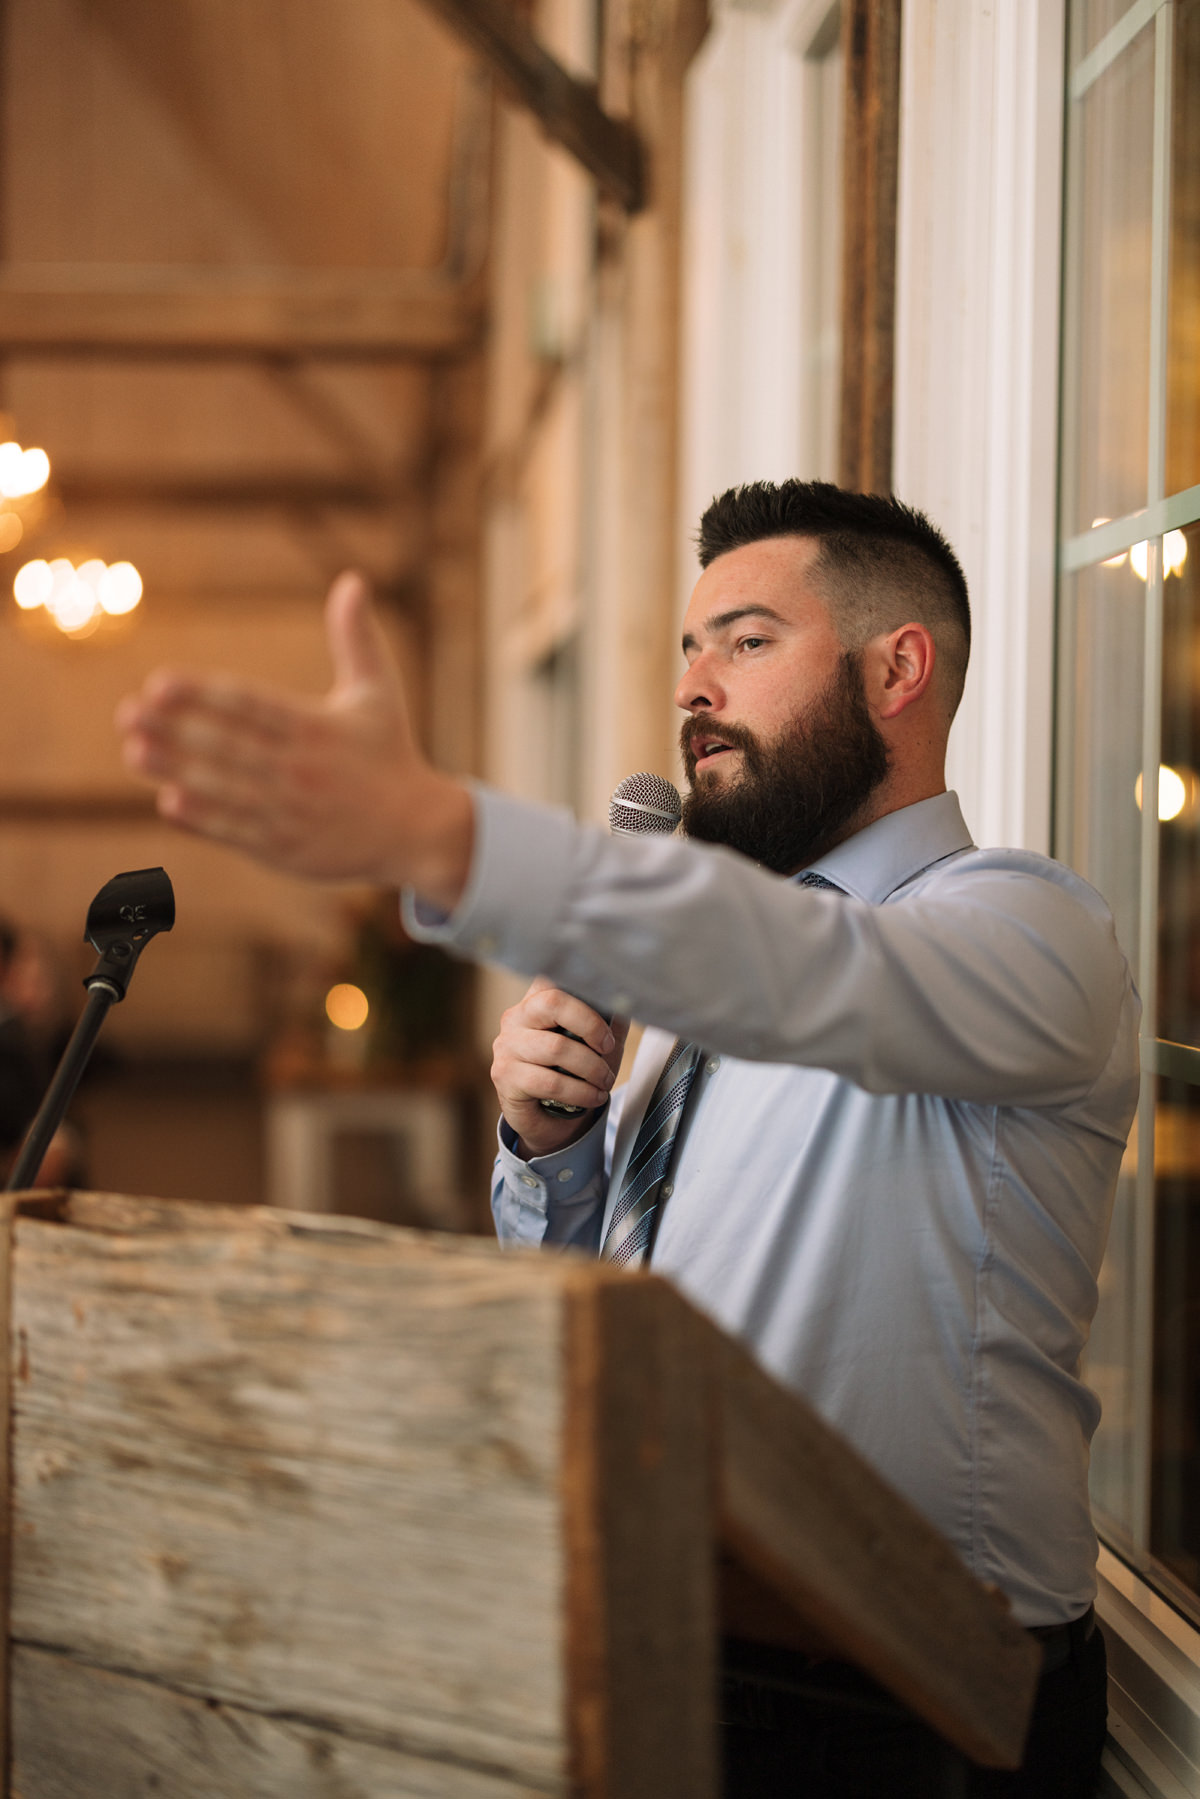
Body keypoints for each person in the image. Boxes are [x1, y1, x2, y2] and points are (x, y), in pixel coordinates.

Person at [116, 481, 1138, 1799]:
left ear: (899, 668)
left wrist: (450, 835)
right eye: (688, 650)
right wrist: (551, 1148)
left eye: (748, 641)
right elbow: (606, 1300)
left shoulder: (1025, 934)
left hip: (917, 1700)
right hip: (677, 1632)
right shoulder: (701, 983)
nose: (694, 688)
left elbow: (828, 977)